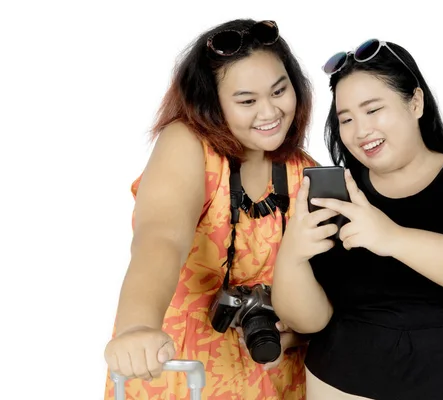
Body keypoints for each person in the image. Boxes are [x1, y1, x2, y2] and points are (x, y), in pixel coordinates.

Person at [272, 39, 443, 400]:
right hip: (341, 387)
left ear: (415, 102)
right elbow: (310, 322)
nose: (360, 130)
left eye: (373, 110)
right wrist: (292, 255)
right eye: (346, 119)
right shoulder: (339, 194)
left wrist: (392, 237)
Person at [103, 19, 317, 400]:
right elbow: (161, 237)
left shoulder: (306, 171)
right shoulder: (187, 145)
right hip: (183, 371)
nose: (270, 112)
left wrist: (299, 331)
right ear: (212, 103)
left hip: (277, 375)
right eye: (247, 101)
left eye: (280, 91)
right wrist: (136, 328)